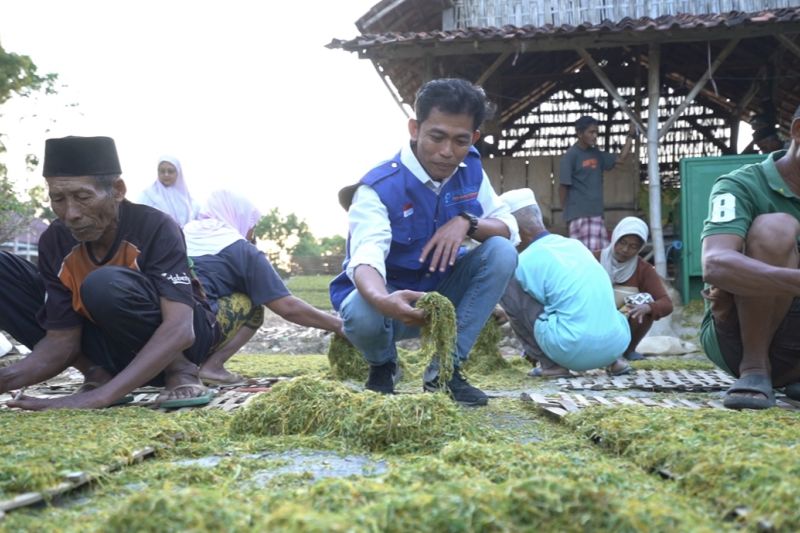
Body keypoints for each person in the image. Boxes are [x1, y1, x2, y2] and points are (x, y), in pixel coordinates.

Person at [329, 78, 519, 406]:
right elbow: (366, 256)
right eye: (437, 136)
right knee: (361, 309)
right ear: (415, 129)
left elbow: (509, 228)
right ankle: (383, 364)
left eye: (460, 140)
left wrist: (467, 223)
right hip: (389, 303)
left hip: (441, 295)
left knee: (501, 251)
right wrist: (382, 299)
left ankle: (444, 372)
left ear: (473, 137)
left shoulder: (471, 168)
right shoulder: (378, 187)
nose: (447, 152)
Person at [0, 136, 219, 410]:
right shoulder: (55, 240)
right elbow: (61, 341)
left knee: (104, 284)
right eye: (58, 199)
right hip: (110, 345)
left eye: (83, 197)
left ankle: (181, 371)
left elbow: (181, 330)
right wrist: (5, 379)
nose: (71, 214)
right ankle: (97, 372)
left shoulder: (155, 227)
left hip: (183, 338)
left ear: (117, 190)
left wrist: (98, 399)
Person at [184, 189, 343, 385]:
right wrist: (339, 325)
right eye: (253, 226)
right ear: (239, 217)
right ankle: (212, 367)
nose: (252, 233)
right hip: (192, 334)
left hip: (157, 335)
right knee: (252, 306)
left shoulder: (181, 233)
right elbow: (288, 308)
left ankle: (178, 368)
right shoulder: (239, 248)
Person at [701, 104, 800, 410]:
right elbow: (715, 264)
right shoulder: (740, 185)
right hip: (737, 338)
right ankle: (755, 368)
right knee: (776, 226)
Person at [499, 188, 632, 377]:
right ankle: (615, 362)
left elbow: (527, 309)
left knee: (505, 278)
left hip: (571, 350)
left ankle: (550, 366)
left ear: (514, 229)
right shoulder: (576, 246)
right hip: (617, 343)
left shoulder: (525, 260)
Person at [595, 217, 673, 361]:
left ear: (640, 248)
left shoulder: (644, 269)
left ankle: (628, 350)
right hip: (591, 318)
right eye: (622, 243)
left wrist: (648, 307)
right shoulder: (593, 259)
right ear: (615, 238)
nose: (625, 250)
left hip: (622, 323)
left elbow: (666, 303)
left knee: (646, 303)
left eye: (633, 246)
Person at [559, 116, 635, 251]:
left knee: (599, 256)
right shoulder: (571, 156)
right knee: (583, 257)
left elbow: (621, 159)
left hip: (596, 214)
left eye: (596, 133)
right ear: (579, 133)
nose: (595, 136)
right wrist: (566, 212)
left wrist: (630, 135)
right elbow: (563, 186)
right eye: (591, 132)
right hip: (579, 216)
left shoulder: (596, 154)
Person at [138, 155, 199, 227]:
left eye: (170, 171)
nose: (166, 174)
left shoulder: (186, 198)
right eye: (162, 171)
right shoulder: (148, 195)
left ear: (178, 173)